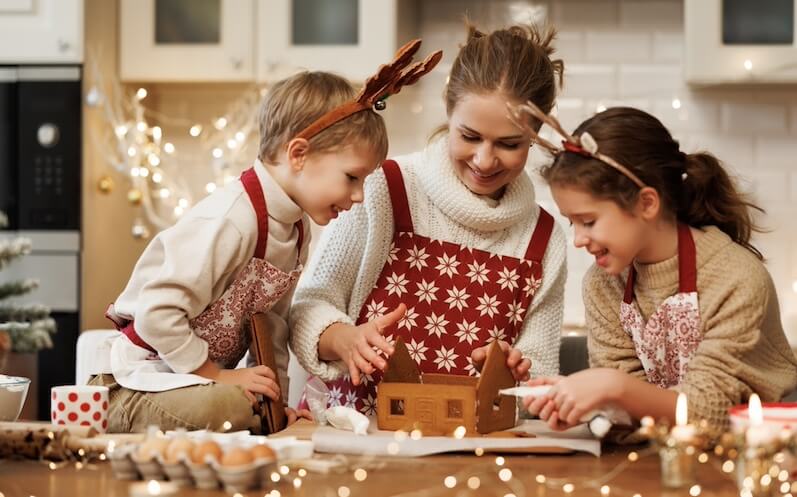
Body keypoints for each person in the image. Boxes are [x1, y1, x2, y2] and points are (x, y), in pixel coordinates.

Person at [90, 70, 393, 433]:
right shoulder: (232, 219)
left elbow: (272, 330)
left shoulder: (297, 229)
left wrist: (275, 408)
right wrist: (216, 376)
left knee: (241, 407)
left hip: (191, 384)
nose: (359, 196)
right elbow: (157, 312)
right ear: (298, 154)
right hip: (132, 385)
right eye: (352, 177)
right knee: (228, 405)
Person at [290, 23, 568, 414]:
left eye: (509, 144)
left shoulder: (544, 237)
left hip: (473, 457)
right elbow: (309, 304)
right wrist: (343, 339)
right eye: (470, 136)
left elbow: (539, 384)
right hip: (353, 434)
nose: (485, 160)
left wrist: (511, 372)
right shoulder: (383, 188)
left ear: (536, 135)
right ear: (449, 108)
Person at [513, 103, 797, 440]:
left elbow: (712, 413)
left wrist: (613, 387)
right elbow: (633, 414)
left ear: (647, 203)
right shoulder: (604, 284)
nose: (577, 239)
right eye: (571, 222)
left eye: (588, 221)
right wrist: (588, 404)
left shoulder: (737, 278)